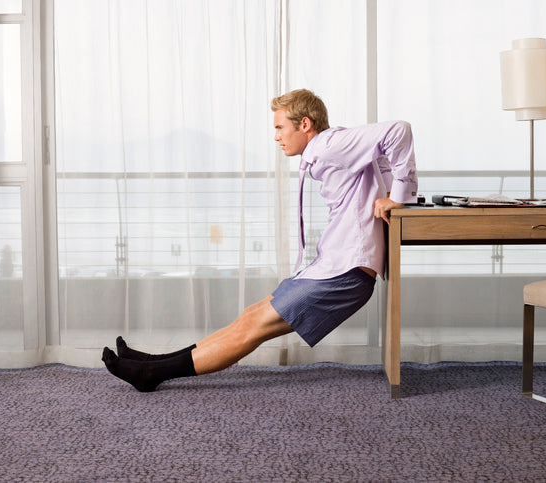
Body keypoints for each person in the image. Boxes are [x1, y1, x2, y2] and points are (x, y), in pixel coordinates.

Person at [102, 89, 418, 392]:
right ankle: (154, 362)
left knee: (252, 329)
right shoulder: (326, 150)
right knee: (250, 316)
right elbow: (382, 160)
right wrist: (389, 192)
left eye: (280, 127)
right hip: (332, 266)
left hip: (344, 275)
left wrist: (398, 197)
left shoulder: (329, 144)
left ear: (304, 124)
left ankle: (151, 374)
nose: (277, 136)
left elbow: (398, 131)